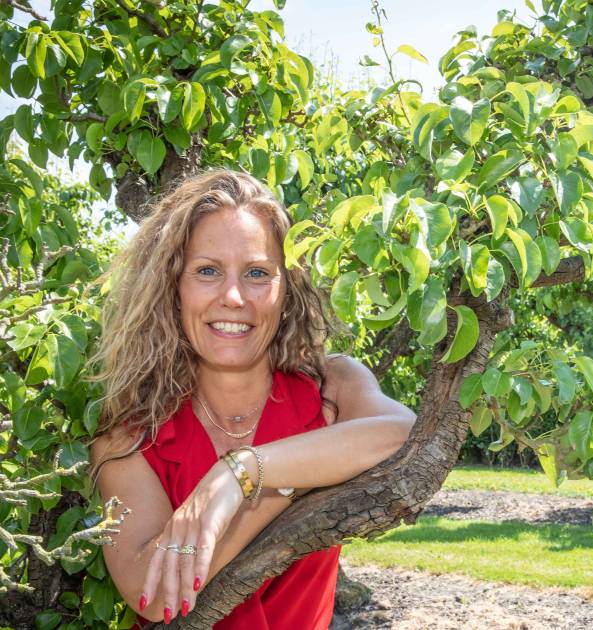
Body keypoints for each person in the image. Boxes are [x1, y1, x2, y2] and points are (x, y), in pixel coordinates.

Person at [88, 170, 415, 628]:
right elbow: (155, 594)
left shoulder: (331, 386)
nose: (234, 297)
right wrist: (286, 486)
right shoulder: (130, 435)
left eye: (258, 273)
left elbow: (403, 435)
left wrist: (236, 474)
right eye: (207, 271)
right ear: (173, 286)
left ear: (286, 291)